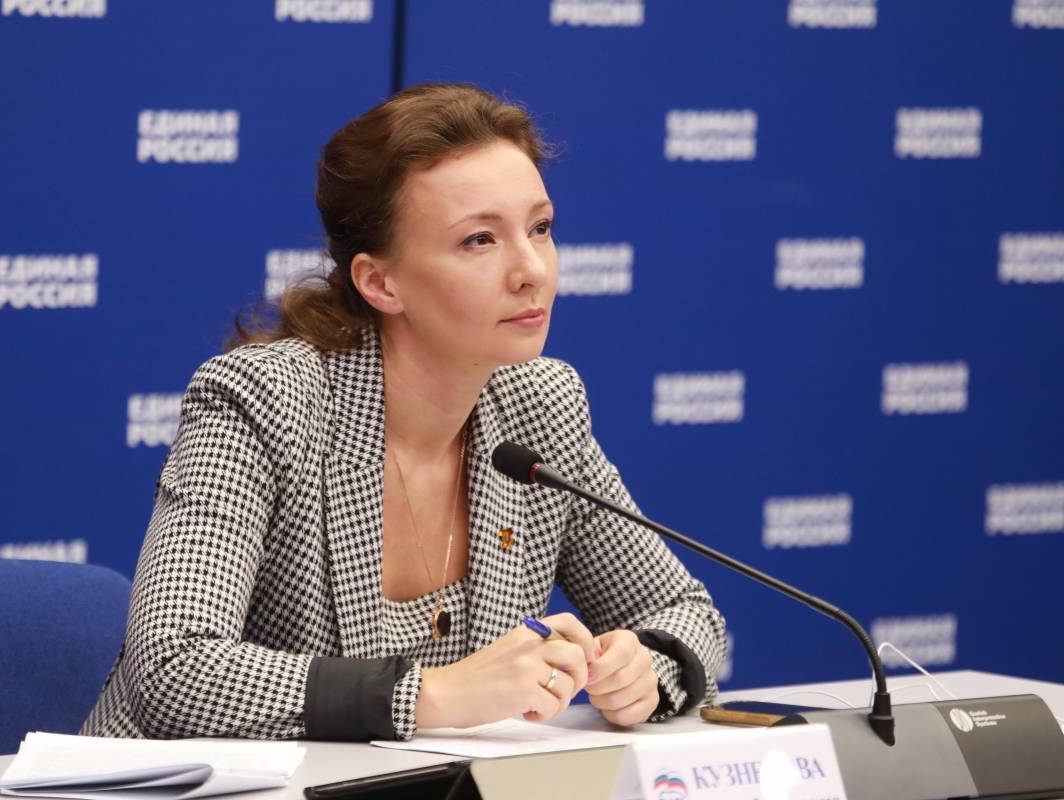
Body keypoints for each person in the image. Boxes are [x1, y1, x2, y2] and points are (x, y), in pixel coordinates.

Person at [81, 82, 727, 742]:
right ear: (379, 282)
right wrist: (434, 694)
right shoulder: (266, 399)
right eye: (480, 240)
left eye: (540, 228)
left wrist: (643, 670)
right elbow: (173, 670)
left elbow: (684, 611)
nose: (532, 269)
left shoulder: (539, 404)